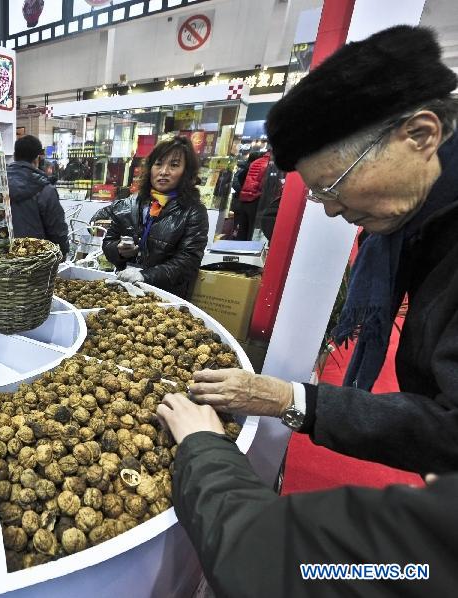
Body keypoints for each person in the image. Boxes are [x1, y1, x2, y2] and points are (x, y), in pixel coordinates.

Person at [159, 26, 458, 596]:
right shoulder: (425, 227)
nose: (329, 209)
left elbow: (287, 563)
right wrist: (289, 398)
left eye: (334, 185)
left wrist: (202, 449)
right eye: (316, 194)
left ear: (421, 134)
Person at [102, 135, 209, 299]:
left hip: (162, 298)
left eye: (174, 165)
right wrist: (119, 250)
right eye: (158, 164)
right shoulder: (128, 204)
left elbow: (188, 262)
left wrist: (146, 275)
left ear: (186, 172)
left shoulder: (193, 212)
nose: (164, 172)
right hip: (123, 290)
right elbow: (108, 244)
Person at [7, 135, 70, 257]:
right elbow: (57, 228)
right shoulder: (44, 189)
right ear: (37, 159)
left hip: (2, 257)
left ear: (15, 156)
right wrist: (62, 252)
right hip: (35, 258)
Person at [234, 149, 270, 240]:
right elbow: (264, 184)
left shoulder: (256, 162)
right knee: (252, 230)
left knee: (242, 230)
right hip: (255, 199)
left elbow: (242, 176)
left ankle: (237, 251)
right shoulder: (269, 164)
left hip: (244, 198)